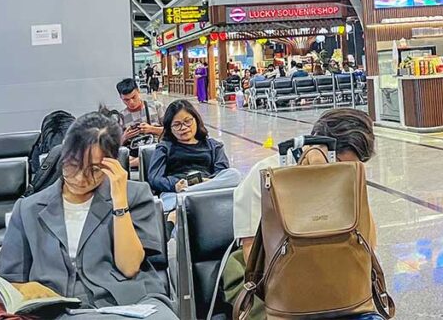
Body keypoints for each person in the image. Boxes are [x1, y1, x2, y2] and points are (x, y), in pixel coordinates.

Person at [0, 109, 177, 319]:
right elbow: (11, 281)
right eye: (72, 166)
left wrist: (119, 202)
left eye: (94, 170)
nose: (80, 178)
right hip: (56, 310)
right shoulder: (29, 209)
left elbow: (129, 268)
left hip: (128, 303)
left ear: (111, 163)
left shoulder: (134, 195)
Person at [226, 109, 378, 314]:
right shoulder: (266, 176)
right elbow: (250, 249)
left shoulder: (348, 177)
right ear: (319, 145)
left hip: (335, 278)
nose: (343, 171)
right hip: (270, 282)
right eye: (340, 163)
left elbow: (366, 246)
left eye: (353, 166)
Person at [145, 99, 240, 212]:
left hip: (207, 189)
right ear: (169, 128)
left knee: (234, 174)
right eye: (177, 125)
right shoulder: (165, 148)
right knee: (177, 206)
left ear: (196, 120)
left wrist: (206, 182)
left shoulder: (213, 146)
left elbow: (222, 172)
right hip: (177, 193)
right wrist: (175, 185)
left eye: (187, 121)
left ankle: (192, 191)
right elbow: (154, 178)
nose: (184, 128)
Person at [117, 78, 163, 152]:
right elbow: (114, 146)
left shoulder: (156, 107)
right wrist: (124, 137)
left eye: (133, 97)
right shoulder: (121, 117)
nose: (131, 102)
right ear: (121, 98)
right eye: (126, 100)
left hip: (157, 150)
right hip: (134, 154)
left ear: (138, 91)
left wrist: (152, 129)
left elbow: (172, 131)